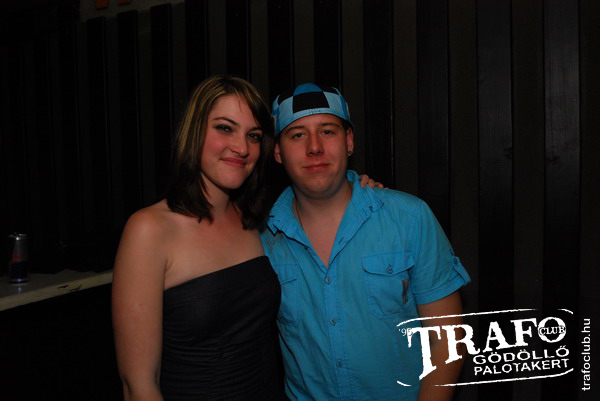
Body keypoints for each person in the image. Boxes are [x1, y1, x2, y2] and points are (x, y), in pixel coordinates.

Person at [261, 83, 471, 401]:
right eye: (297, 134)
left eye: (327, 131)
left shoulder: (409, 218)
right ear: (278, 152)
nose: (314, 147)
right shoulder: (261, 238)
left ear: (349, 141)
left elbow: (447, 338)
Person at [111, 76, 288, 401]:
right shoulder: (149, 230)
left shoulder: (255, 221)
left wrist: (358, 186)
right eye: (225, 128)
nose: (242, 147)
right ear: (194, 132)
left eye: (253, 135)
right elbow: (139, 386)